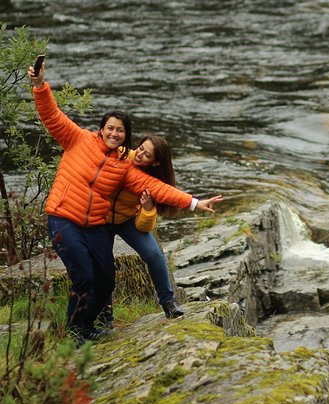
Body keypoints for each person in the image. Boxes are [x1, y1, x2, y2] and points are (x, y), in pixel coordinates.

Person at [28, 62, 223, 345]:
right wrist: (39, 86)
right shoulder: (78, 139)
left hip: (96, 223)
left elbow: (156, 187)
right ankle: (75, 330)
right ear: (102, 129)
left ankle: (87, 327)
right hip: (64, 217)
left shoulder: (124, 165)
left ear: (125, 135)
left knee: (107, 279)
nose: (114, 133)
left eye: (120, 130)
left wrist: (193, 203)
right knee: (84, 276)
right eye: (110, 128)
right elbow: (52, 115)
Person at [100, 134, 194, 325]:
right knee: (104, 266)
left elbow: (144, 226)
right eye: (141, 148)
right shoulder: (121, 156)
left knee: (154, 254)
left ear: (156, 162)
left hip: (126, 220)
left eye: (147, 154)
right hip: (100, 218)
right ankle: (105, 318)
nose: (140, 154)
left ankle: (168, 303)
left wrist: (149, 207)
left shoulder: (153, 182)